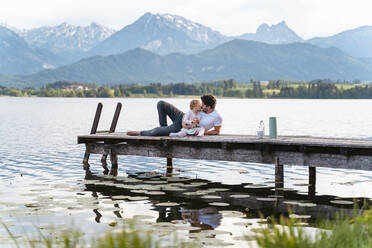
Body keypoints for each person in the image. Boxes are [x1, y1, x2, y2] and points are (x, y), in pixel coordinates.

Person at [126, 94, 222, 136]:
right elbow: (191, 111)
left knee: (155, 131)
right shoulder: (202, 109)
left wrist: (203, 132)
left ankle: (140, 132)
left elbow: (217, 131)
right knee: (161, 103)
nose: (201, 106)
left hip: (182, 127)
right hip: (182, 116)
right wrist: (185, 118)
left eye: (203, 104)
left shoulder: (217, 117)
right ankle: (164, 130)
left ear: (208, 106)